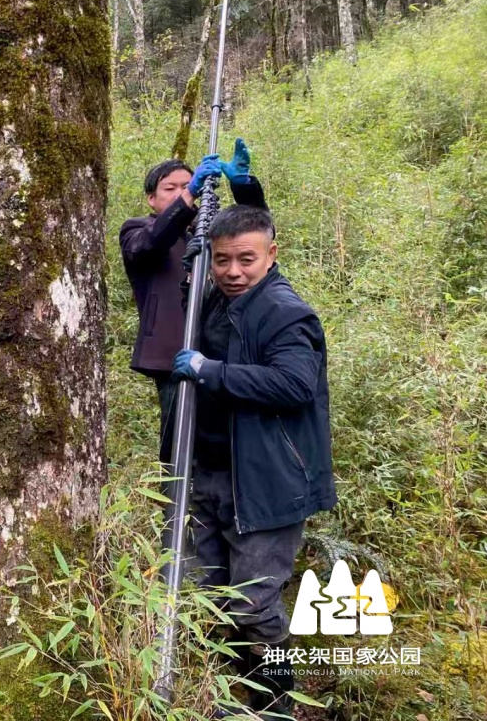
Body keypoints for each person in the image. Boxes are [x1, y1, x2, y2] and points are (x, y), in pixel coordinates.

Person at [170, 204, 338, 717]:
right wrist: (192, 277)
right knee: (207, 595)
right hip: (209, 472)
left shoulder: (285, 312)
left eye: (246, 259)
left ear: (271, 254)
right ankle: (229, 697)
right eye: (222, 260)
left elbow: (294, 383)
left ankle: (276, 705)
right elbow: (202, 323)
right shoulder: (218, 298)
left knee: (253, 603)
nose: (233, 271)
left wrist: (210, 371)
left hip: (265, 483)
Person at [119, 140, 266, 463]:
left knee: (222, 441)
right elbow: (151, 243)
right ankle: (172, 496)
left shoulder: (210, 231)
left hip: (220, 353)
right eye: (170, 188)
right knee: (177, 443)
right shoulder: (138, 230)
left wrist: (243, 187)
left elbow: (256, 234)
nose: (182, 192)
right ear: (151, 198)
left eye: (187, 185)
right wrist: (188, 195)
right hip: (173, 354)